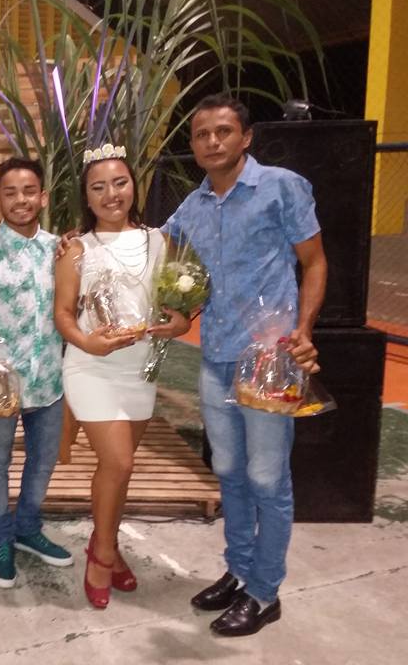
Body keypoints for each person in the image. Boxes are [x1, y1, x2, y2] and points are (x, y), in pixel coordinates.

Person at [164, 93, 326, 636]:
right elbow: (149, 248)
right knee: (230, 472)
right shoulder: (191, 208)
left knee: (267, 478)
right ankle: (238, 570)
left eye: (223, 131)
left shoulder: (281, 187)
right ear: (193, 145)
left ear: (246, 137)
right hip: (214, 358)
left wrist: (304, 329)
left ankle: (264, 591)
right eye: (201, 134)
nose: (212, 141)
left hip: (269, 361)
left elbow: (314, 262)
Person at [54, 144, 190, 609]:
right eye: (98, 187)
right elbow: (63, 314)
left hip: (141, 368)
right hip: (91, 366)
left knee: (118, 470)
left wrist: (181, 321)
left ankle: (104, 542)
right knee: (120, 463)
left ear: (134, 185)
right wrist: (86, 341)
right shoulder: (76, 248)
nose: (111, 194)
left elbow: (174, 303)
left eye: (119, 183)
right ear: (86, 197)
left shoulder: (160, 242)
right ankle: (103, 556)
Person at [0, 157, 73, 588]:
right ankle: (1, 537)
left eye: (28, 191)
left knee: (42, 463)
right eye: (10, 192)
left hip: (49, 381)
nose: (20, 200)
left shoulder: (62, 252)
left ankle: (27, 527)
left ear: (42, 197)